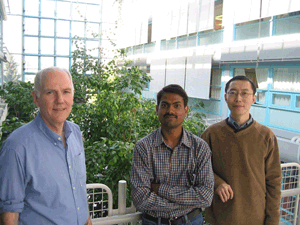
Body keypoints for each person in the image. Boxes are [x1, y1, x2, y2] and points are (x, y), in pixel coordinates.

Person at [0, 67, 92, 225]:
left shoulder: (75, 133)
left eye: (66, 91)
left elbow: (78, 196)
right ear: (36, 98)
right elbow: (9, 214)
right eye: (50, 92)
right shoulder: (16, 146)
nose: (60, 100)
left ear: (73, 95)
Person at [201, 76, 282, 225]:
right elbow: (199, 169)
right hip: (219, 217)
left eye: (245, 93)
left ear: (253, 98)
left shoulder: (266, 136)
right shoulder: (211, 134)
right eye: (233, 93)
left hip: (256, 218)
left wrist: (272, 221)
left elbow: (274, 183)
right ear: (225, 97)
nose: (238, 98)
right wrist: (217, 183)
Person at [131, 84, 214, 225]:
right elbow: (141, 199)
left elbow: (205, 196)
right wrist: (185, 204)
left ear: (186, 110)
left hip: (191, 221)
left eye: (176, 106)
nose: (170, 110)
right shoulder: (143, 147)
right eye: (164, 105)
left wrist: (160, 189)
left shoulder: (200, 147)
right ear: (157, 109)